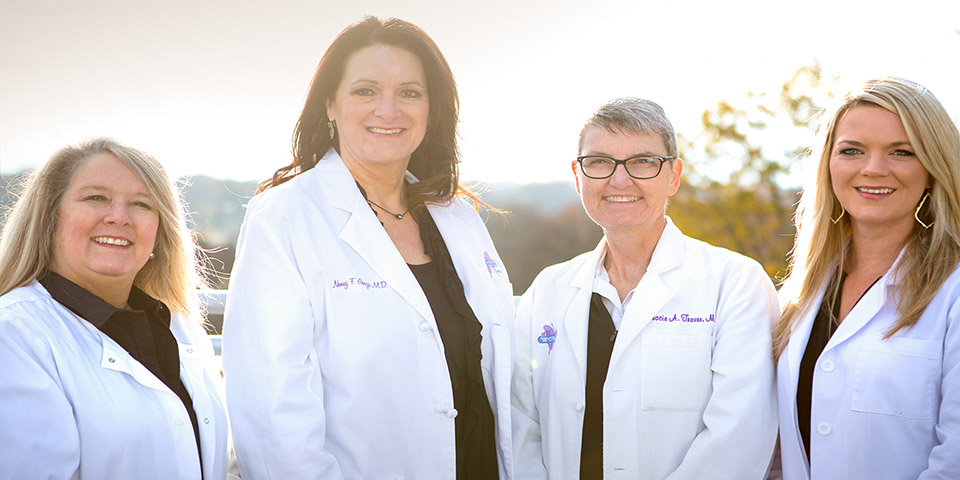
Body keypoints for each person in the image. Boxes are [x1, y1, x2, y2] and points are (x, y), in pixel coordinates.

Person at [222, 16, 514, 479]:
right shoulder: (284, 218)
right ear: (330, 105)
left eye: (409, 92)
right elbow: (271, 411)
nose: (389, 109)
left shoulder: (458, 217)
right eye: (365, 90)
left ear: (431, 109)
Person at [512, 98, 779, 479]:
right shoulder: (547, 290)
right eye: (600, 162)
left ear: (673, 175)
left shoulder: (735, 283)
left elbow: (738, 438)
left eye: (643, 162)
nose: (619, 180)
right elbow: (521, 426)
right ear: (578, 175)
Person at [0, 138, 231, 479]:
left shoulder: (179, 326)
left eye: (141, 204)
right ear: (50, 217)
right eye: (96, 198)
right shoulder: (14, 334)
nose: (119, 217)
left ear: (159, 228)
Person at [773, 77, 960, 479]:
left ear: (933, 167)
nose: (873, 169)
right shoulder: (801, 293)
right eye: (852, 150)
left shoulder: (954, 291)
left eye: (901, 152)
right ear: (828, 165)